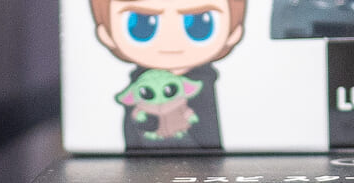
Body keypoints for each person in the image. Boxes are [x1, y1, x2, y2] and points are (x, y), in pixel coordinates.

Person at [89, 0, 244, 150]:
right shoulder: (140, 87)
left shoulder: (204, 85)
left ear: (233, 33)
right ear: (106, 35)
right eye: (142, 24)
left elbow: (209, 140)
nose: (171, 45)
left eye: (199, 23)